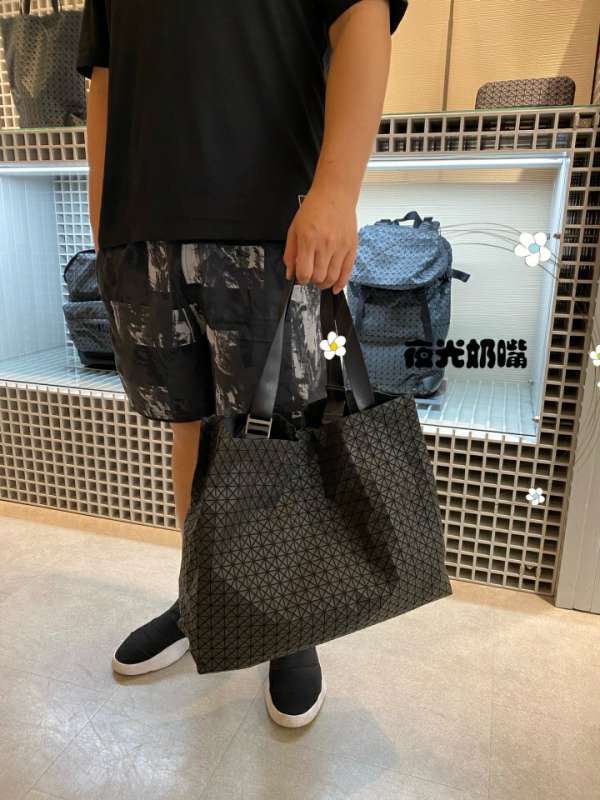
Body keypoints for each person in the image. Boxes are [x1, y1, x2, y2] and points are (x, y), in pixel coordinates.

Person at [76, 0, 408, 728]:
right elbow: (104, 74)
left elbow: (362, 14)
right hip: (143, 231)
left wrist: (337, 191)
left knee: (283, 434)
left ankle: (288, 622)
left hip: (269, 220)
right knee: (190, 426)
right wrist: (105, 226)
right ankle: (206, 595)